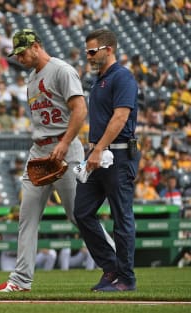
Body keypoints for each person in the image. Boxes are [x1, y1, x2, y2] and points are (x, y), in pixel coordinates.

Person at [0, 29, 88, 292]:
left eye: (22, 52)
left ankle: (115, 267)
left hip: (66, 149)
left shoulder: (61, 70)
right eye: (16, 54)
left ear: (35, 46)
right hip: (39, 151)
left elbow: (80, 109)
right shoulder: (31, 80)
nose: (19, 58)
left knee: (79, 215)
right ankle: (20, 280)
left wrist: (65, 143)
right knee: (27, 216)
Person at [73, 28, 140, 292]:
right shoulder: (98, 79)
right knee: (82, 211)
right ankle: (111, 268)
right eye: (87, 51)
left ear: (108, 49)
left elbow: (120, 117)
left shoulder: (122, 77)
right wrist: (94, 150)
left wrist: (98, 149)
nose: (88, 56)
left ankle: (126, 279)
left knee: (121, 216)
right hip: (99, 153)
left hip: (119, 153)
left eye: (92, 51)